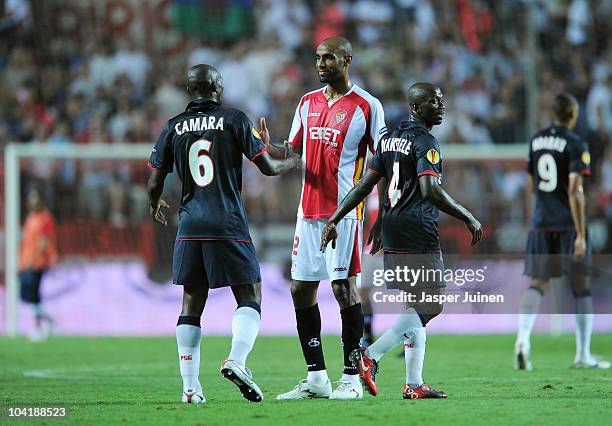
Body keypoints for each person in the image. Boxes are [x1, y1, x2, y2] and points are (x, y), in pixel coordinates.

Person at [147, 64, 300, 404]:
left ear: (190, 91)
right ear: (217, 86)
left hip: (189, 224)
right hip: (226, 219)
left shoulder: (173, 126)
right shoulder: (233, 119)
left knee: (191, 300)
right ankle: (238, 360)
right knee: (250, 293)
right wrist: (293, 159)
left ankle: (190, 388)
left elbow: (155, 179)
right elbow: (269, 167)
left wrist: (154, 202)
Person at [321, 82, 483, 399]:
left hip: (394, 226)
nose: (441, 106)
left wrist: (338, 217)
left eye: (441, 100)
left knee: (414, 304)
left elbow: (366, 184)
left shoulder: (388, 139)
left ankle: (413, 383)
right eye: (433, 102)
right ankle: (371, 355)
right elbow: (430, 190)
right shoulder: (426, 141)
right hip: (417, 229)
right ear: (416, 107)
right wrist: (466, 214)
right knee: (431, 304)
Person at [264, 36, 386, 400]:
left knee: (342, 287)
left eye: (328, 58)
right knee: (301, 288)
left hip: (345, 213)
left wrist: (382, 215)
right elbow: (294, 151)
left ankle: (351, 378)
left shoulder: (367, 106)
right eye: (318, 58)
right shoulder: (307, 102)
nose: (320, 64)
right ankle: (316, 376)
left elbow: (382, 163)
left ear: (347, 59)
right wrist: (269, 148)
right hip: (308, 213)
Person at [515, 93, 610, 370]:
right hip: (568, 224)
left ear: (552, 113)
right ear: (572, 114)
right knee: (581, 286)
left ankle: (522, 340)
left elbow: (532, 185)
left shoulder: (536, 141)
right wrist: (581, 233)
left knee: (538, 282)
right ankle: (582, 355)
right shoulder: (576, 143)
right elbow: (575, 190)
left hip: (541, 222)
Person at [19, 188, 57, 341]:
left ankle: (40, 327)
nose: (33, 202)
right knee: (25, 295)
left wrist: (33, 259)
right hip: (26, 262)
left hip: (37, 263)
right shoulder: (30, 218)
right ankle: (45, 320)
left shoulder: (45, 218)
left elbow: (44, 241)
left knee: (33, 295)